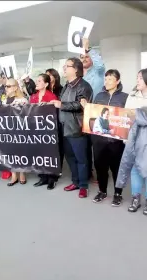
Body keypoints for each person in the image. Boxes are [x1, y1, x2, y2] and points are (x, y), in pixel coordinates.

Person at [55, 58, 93, 198]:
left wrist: (61, 105)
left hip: (77, 128)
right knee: (70, 158)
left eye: (67, 66)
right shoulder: (67, 85)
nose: (64, 68)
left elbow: (82, 105)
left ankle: (83, 185)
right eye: (64, 66)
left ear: (76, 69)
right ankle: (75, 181)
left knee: (81, 159)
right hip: (65, 127)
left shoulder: (84, 86)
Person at [91, 69, 128, 206]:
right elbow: (93, 115)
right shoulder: (99, 96)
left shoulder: (125, 97)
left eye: (110, 79)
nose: (106, 82)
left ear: (117, 81)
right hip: (99, 139)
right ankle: (102, 191)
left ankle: (118, 193)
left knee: (116, 168)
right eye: (105, 79)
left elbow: (128, 118)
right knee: (100, 166)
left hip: (116, 140)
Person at [80, 38, 106, 181]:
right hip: (80, 113)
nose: (84, 59)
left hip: (95, 112)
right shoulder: (78, 76)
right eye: (82, 57)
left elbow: (101, 65)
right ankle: (88, 172)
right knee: (85, 146)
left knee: (97, 146)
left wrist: (88, 49)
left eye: (86, 57)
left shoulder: (98, 72)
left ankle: (101, 173)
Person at [30, 74, 60, 190]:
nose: (36, 83)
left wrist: (49, 104)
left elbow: (56, 113)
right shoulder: (33, 97)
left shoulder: (52, 96)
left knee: (50, 154)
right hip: (36, 130)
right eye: (36, 81)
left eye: (39, 81)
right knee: (39, 154)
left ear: (46, 84)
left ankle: (52, 179)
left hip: (48, 131)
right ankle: (42, 177)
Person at [116, 107, 147, 215]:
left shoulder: (137, 116)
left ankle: (137, 200)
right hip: (138, 151)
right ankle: (136, 198)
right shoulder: (138, 117)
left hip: (139, 150)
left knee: (138, 173)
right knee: (136, 172)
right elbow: (131, 138)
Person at [4, 78, 28, 186]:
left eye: (9, 86)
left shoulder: (23, 100)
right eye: (6, 86)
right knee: (10, 152)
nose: (6, 88)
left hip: (19, 130)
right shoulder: (5, 100)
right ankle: (14, 175)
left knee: (20, 152)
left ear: (15, 87)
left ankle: (22, 173)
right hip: (8, 130)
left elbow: (27, 116)